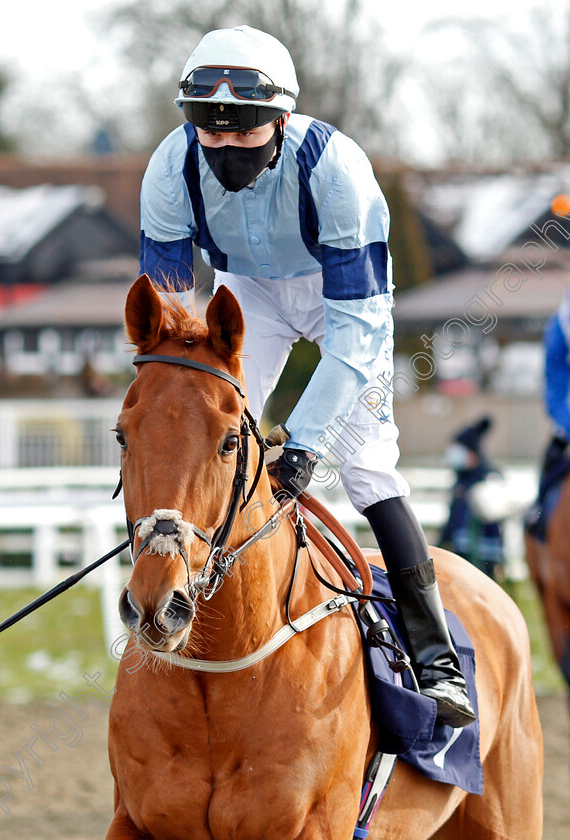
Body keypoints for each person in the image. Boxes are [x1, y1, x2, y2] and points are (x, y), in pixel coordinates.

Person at [139, 24, 475, 728]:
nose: (226, 146)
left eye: (245, 132)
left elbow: (354, 335)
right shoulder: (170, 170)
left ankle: (437, 660)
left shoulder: (335, 170)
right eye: (210, 131)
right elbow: (168, 324)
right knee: (208, 432)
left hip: (341, 300)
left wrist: (305, 444)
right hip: (248, 293)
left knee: (364, 467)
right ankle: (184, 603)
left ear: (282, 120)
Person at [525, 288, 570, 540]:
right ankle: (539, 515)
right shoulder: (558, 331)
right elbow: (555, 390)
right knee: (551, 464)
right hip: (568, 420)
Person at [439, 417, 507, 579]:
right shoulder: (461, 481)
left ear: (471, 453)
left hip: (484, 557)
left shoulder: (489, 479)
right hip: (461, 554)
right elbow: (452, 518)